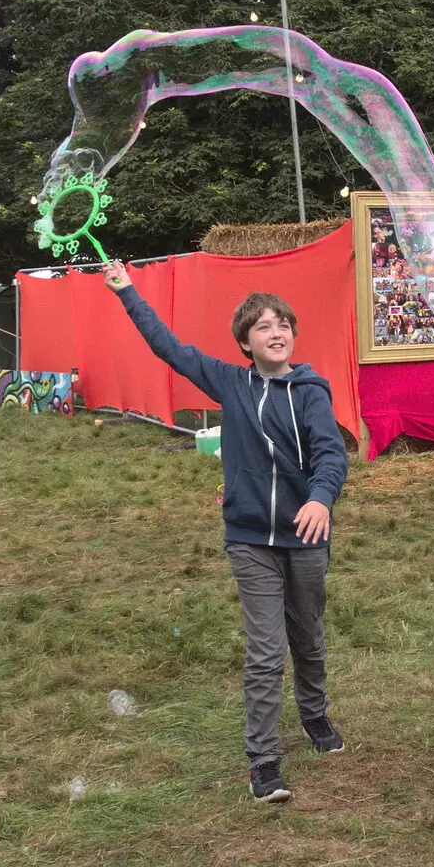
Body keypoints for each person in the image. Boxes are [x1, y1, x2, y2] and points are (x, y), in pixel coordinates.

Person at [103, 261, 349, 805]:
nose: (276, 331)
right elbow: (169, 348)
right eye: (263, 325)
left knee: (307, 637)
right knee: (266, 650)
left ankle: (314, 715)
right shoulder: (230, 382)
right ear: (245, 341)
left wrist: (319, 498)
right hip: (249, 537)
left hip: (306, 535)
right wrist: (127, 292)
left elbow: (331, 453)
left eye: (283, 323)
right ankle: (263, 761)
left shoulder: (310, 391)